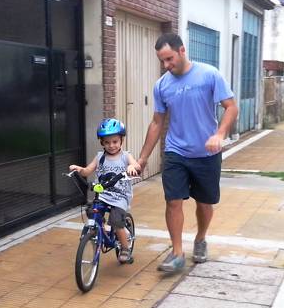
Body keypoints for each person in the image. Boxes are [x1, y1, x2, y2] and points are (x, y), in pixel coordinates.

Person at [136, 33, 238, 272]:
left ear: (182, 51)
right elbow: (156, 122)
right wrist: (143, 158)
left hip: (206, 153)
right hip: (175, 152)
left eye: (169, 59)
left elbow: (231, 107)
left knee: (204, 203)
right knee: (173, 202)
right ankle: (177, 252)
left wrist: (219, 134)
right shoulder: (162, 85)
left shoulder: (209, 74)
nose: (166, 65)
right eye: (162, 61)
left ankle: (201, 239)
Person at [69, 118, 140, 263]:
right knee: (91, 211)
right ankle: (101, 231)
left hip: (120, 196)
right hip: (103, 194)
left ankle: (125, 248)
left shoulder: (125, 156)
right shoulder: (100, 157)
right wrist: (79, 169)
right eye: (107, 142)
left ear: (121, 140)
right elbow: (87, 170)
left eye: (115, 141)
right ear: (102, 143)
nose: (111, 145)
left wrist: (132, 167)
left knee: (115, 220)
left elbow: (136, 165)